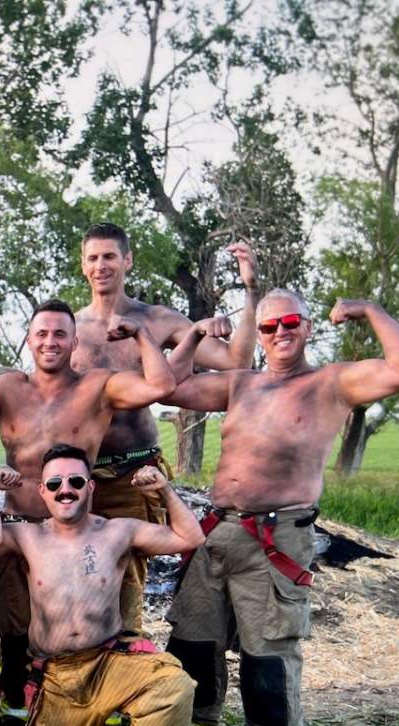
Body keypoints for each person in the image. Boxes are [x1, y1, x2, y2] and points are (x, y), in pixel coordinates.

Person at [163, 293, 399, 726]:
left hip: (277, 534)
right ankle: (194, 724)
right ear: (259, 335)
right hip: (219, 527)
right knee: (192, 634)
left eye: (289, 322)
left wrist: (371, 310)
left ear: (307, 326)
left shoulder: (332, 382)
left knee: (269, 642)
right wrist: (196, 334)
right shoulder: (241, 384)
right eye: (268, 326)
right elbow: (167, 386)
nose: (279, 332)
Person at [0, 299, 177, 722]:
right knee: (13, 624)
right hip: (20, 525)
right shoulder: (6, 387)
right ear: (28, 339)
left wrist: (142, 335)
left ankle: (94, 709)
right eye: (41, 333)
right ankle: (15, 708)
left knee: (86, 621)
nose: (50, 342)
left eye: (60, 334)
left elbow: (160, 386)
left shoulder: (98, 386)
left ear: (75, 341)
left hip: (76, 532)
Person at [0, 446, 204, 726]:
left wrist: (164, 490)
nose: (65, 489)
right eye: (54, 483)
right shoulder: (28, 536)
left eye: (75, 481)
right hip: (57, 672)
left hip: (108, 662)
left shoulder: (119, 532)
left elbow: (190, 538)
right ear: (42, 491)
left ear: (90, 487)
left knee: (172, 684)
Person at [72, 223, 260, 644]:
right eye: (93, 258)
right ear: (83, 265)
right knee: (73, 573)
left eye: (109, 256)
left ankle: (126, 679)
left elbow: (235, 359)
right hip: (77, 477)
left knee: (127, 577)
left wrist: (250, 293)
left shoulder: (156, 320)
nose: (101, 265)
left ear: (127, 260)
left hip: (133, 471)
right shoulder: (70, 329)